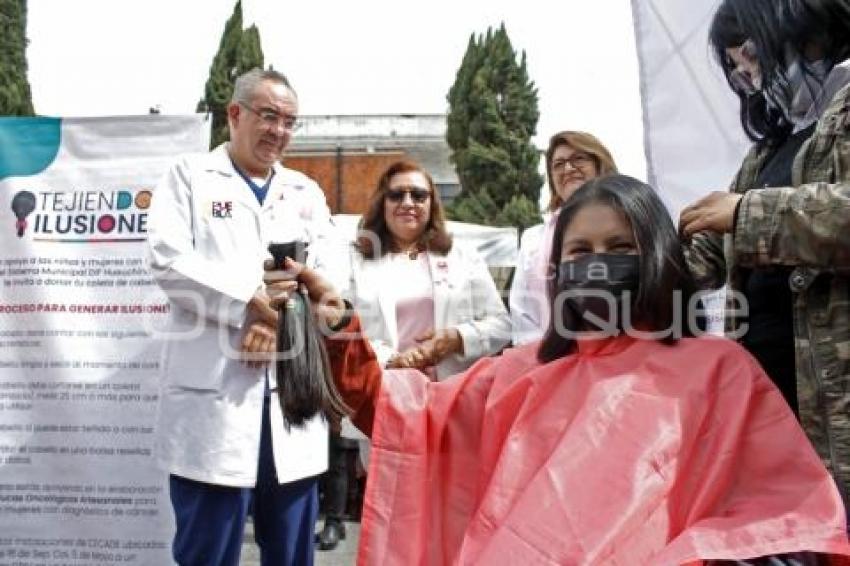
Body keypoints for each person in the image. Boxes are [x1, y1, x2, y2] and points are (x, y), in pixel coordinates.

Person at [266, 175, 850, 564]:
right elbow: (396, 415)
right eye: (580, 252)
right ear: (557, 269)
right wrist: (337, 320)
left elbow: (780, 521)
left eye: (620, 248)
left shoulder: (720, 371)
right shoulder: (515, 372)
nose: (598, 266)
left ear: (660, 257)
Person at [146, 68, 343, 566]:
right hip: (213, 403)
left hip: (291, 396)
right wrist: (248, 303)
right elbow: (169, 262)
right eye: (269, 116)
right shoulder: (188, 177)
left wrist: (273, 319)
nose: (279, 130)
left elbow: (328, 279)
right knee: (206, 551)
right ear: (235, 114)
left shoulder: (306, 192)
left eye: (290, 121)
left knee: (292, 550)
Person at [679, 0, 850, 508]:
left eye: (748, 55)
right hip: (773, 410)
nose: (744, 74)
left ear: (799, 35)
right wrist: (635, 260)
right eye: (734, 65)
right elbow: (709, 248)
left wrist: (744, 214)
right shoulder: (767, 151)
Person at [315, 160, 511, 549]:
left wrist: (454, 338)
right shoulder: (357, 258)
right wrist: (393, 358)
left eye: (419, 194)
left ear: (432, 203)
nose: (408, 202)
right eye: (397, 194)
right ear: (381, 203)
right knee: (397, 514)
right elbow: (341, 324)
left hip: (454, 401)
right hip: (387, 400)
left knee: (455, 508)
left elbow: (501, 324)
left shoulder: (462, 257)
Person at [509, 131, 617, 345]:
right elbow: (523, 312)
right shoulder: (533, 239)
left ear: (599, 164)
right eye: (558, 164)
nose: (568, 168)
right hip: (550, 362)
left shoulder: (627, 222)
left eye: (578, 159)